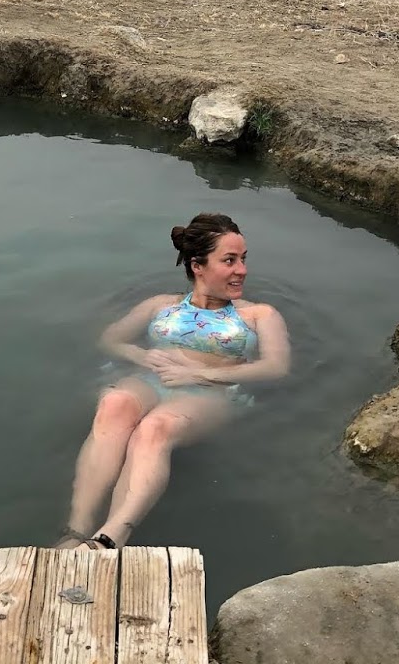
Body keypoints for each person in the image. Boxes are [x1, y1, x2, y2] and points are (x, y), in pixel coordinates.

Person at [54, 212, 291, 550]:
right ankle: (75, 530)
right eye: (230, 260)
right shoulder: (160, 305)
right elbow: (111, 339)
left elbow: (276, 366)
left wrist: (200, 373)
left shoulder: (258, 315)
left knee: (156, 427)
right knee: (114, 404)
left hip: (208, 391)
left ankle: (109, 539)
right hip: (151, 380)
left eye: (243, 259)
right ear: (198, 265)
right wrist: (141, 356)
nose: (242, 270)